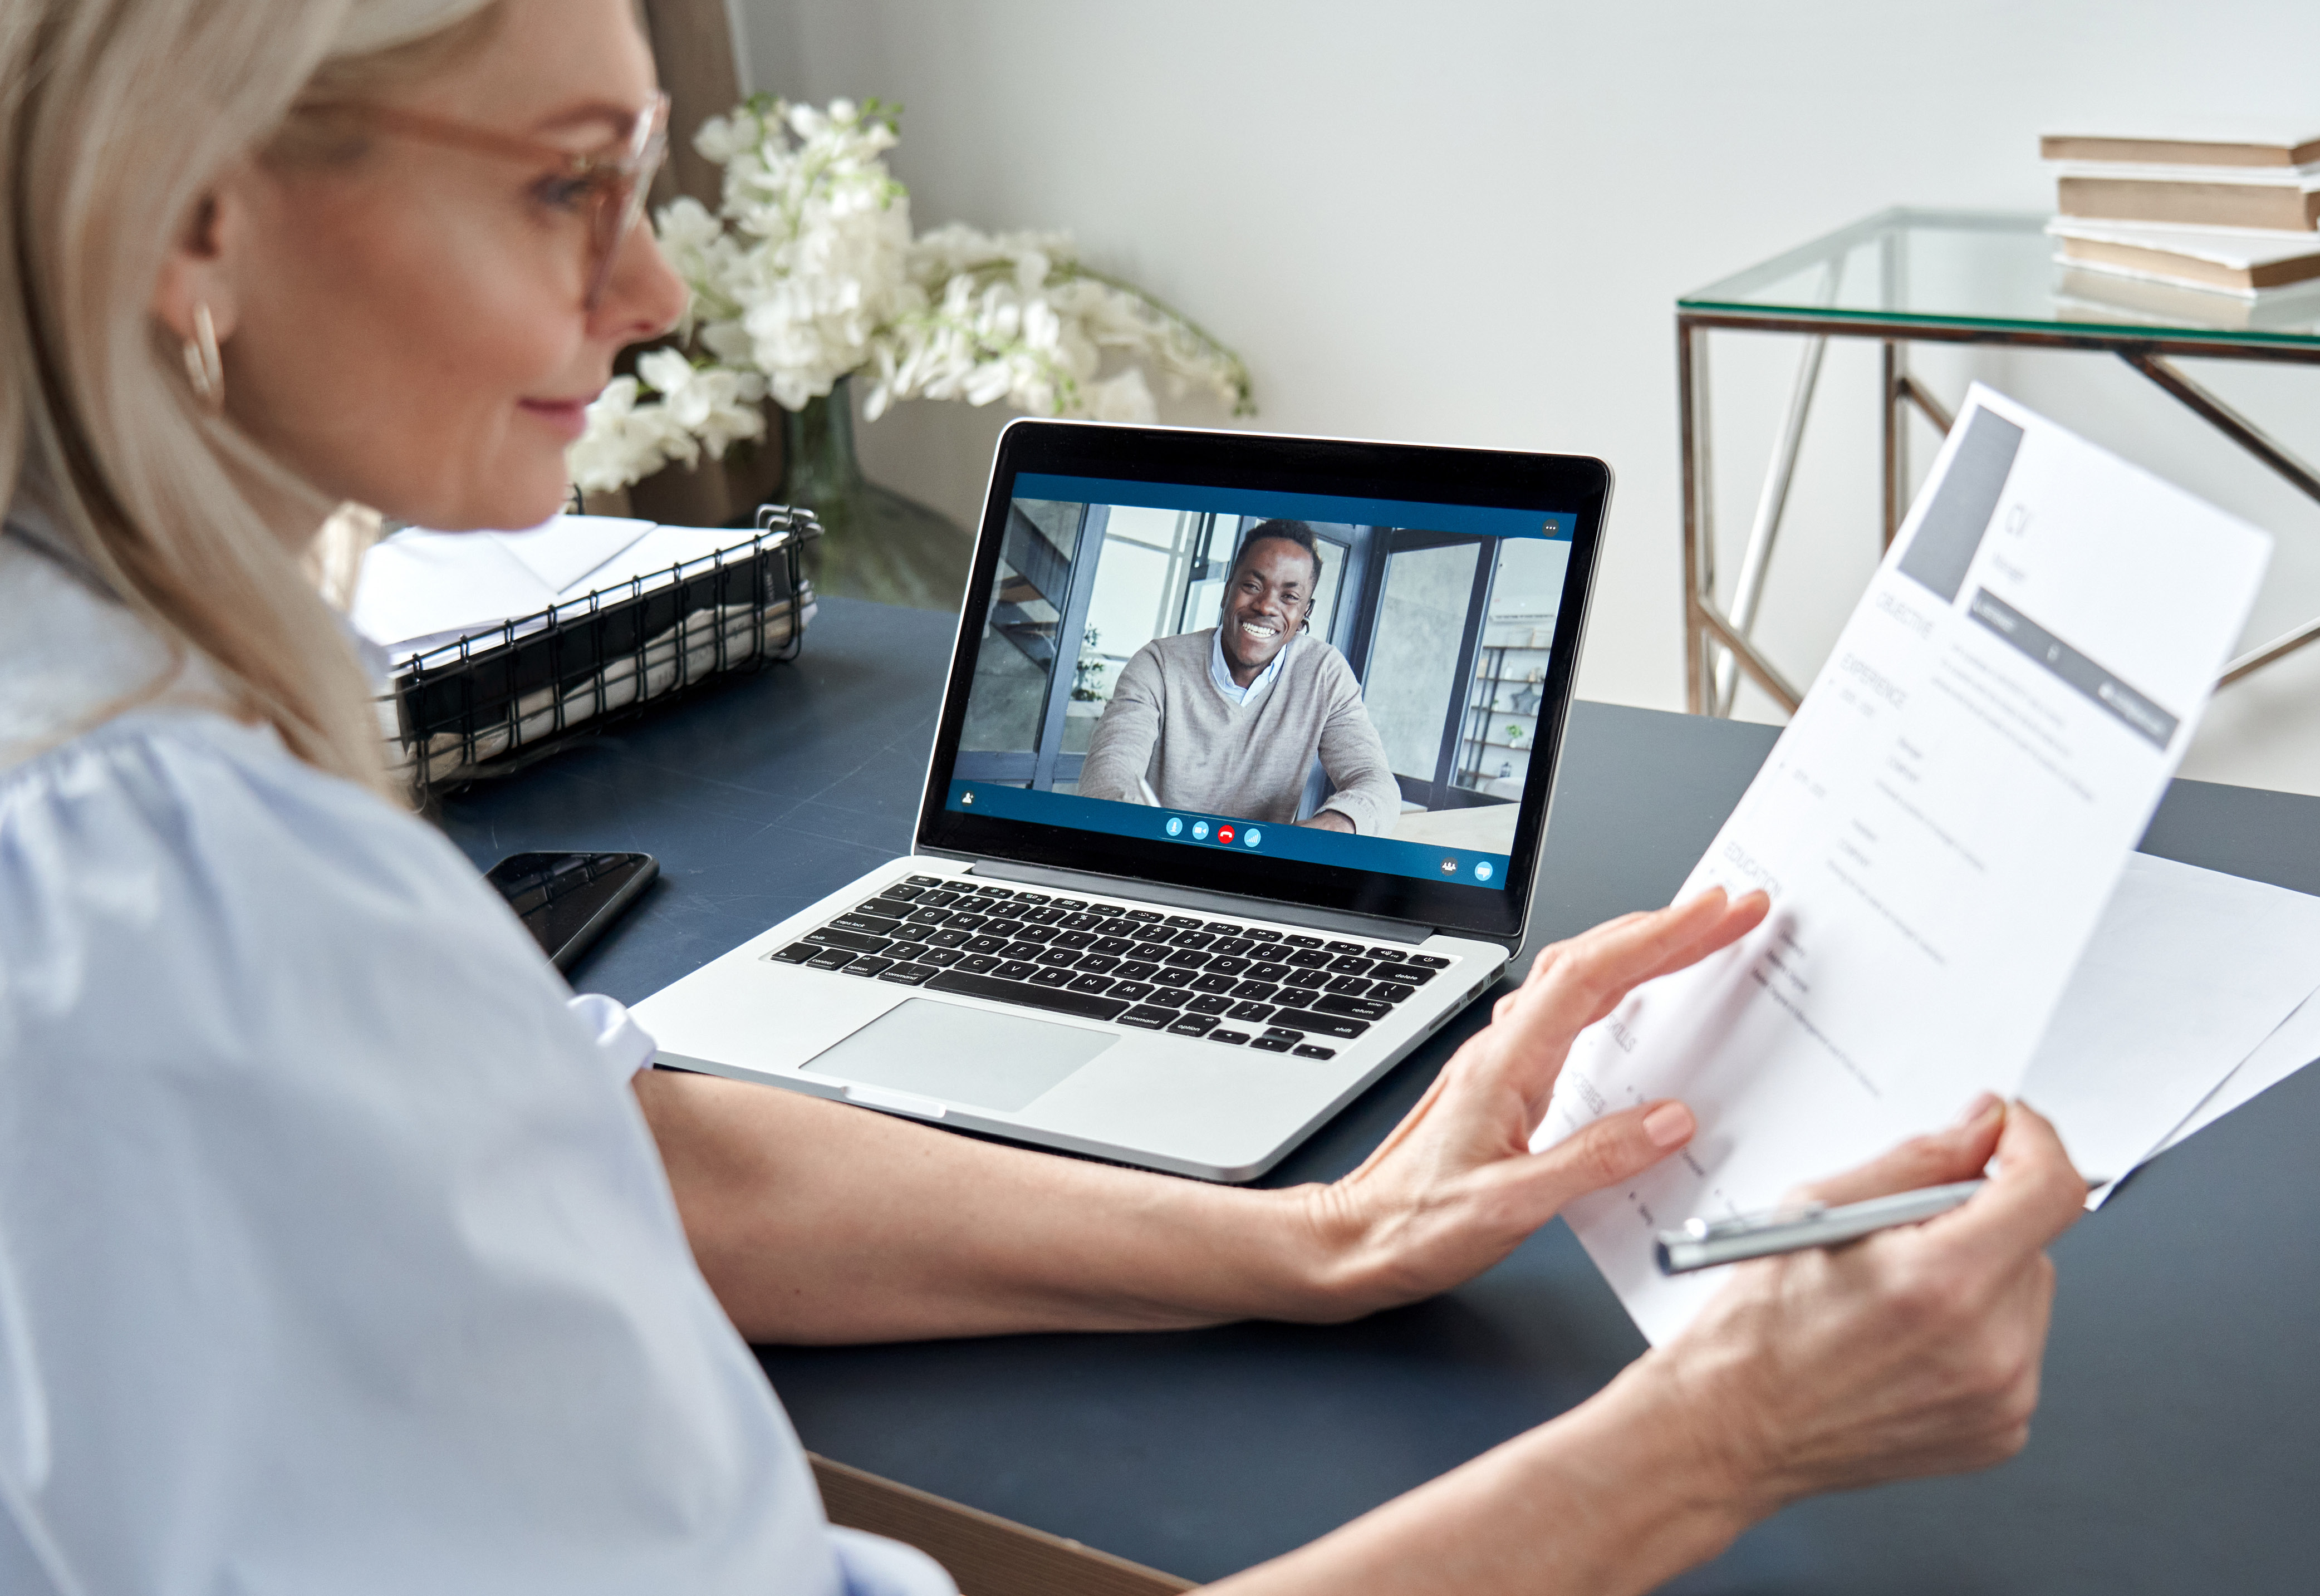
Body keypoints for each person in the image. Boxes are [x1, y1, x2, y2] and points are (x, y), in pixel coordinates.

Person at [0, 2, 2088, 1592]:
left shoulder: (105, 731)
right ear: (196, 202)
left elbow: (617, 1141)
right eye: (567, 185)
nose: (649, 297)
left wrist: (1316, 1233)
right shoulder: (172, 895)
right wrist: (1717, 1439)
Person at [1078, 520, 1400, 833]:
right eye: (1252, 586)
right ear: (1227, 591)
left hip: (1258, 873)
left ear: (1305, 614)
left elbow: (1376, 782)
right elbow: (1109, 773)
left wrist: (1334, 825)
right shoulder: (1158, 665)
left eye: (1289, 597)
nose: (1266, 607)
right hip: (1157, 857)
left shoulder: (1325, 675)